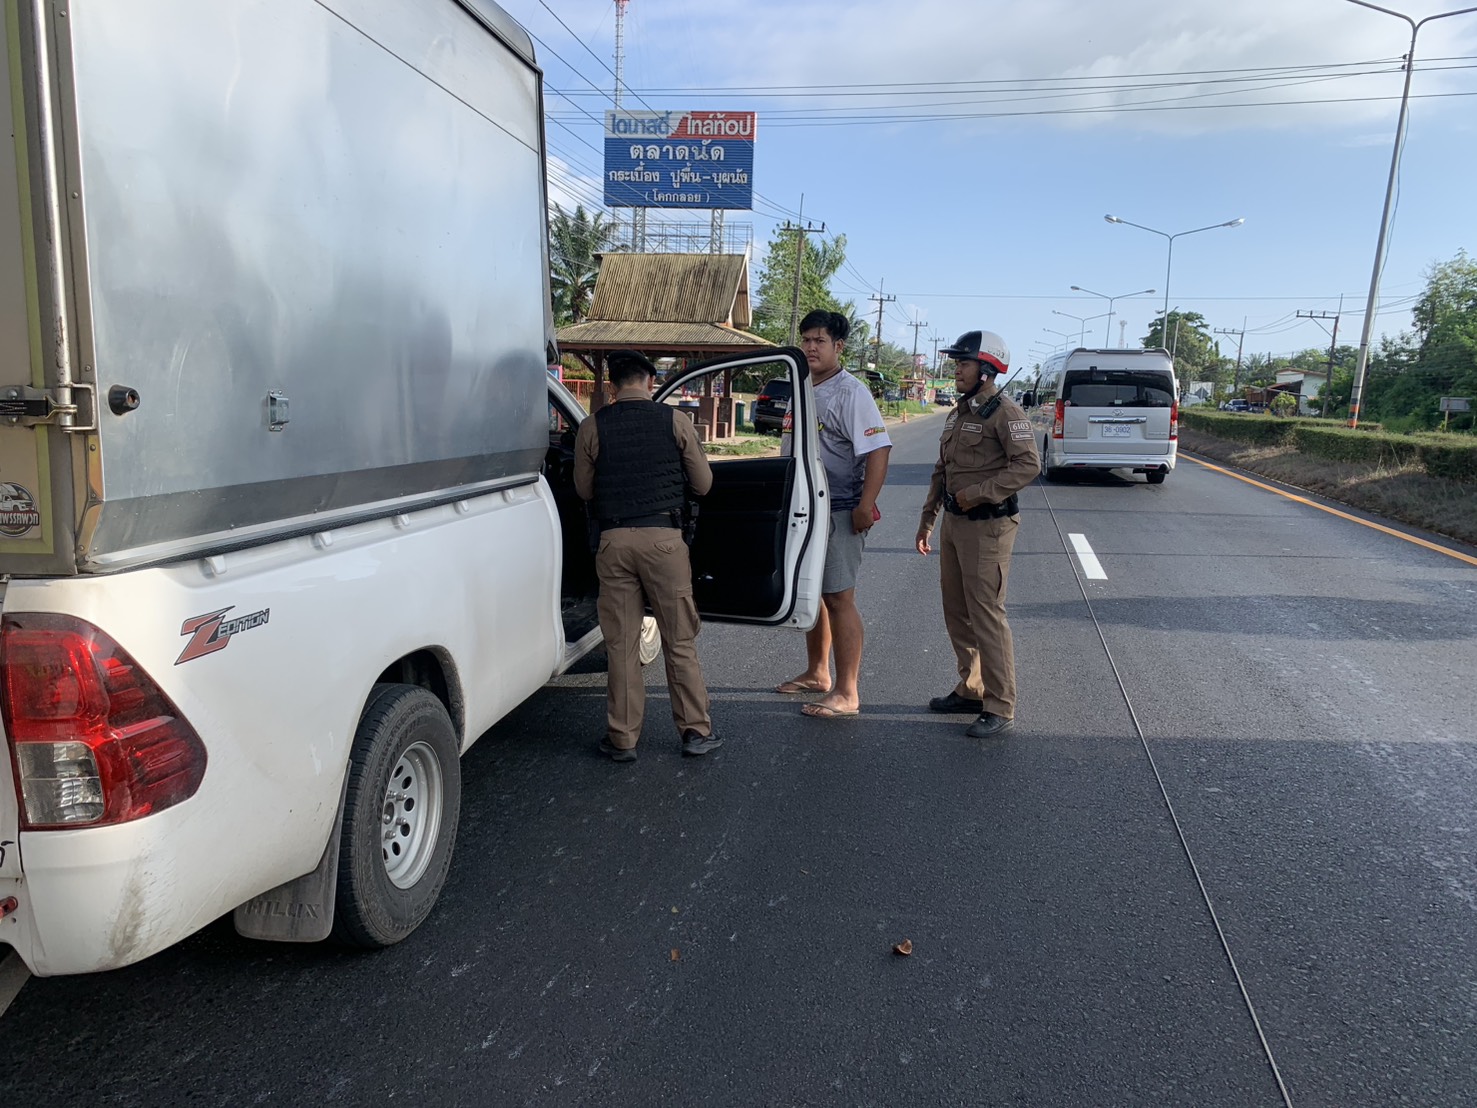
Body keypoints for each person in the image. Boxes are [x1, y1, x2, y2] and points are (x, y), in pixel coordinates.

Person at [574, 350, 721, 762]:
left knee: (621, 646)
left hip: (613, 542)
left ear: (612, 386)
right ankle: (695, 732)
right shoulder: (675, 421)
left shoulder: (592, 426)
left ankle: (622, 739)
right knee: (679, 640)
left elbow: (583, 490)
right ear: (650, 382)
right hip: (665, 542)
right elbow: (704, 484)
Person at [914, 330, 1039, 738]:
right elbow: (943, 469)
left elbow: (1027, 466)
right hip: (954, 524)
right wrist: (928, 519)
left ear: (986, 369)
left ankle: (1000, 704)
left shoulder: (1006, 412)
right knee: (957, 610)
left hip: (989, 526)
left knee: (986, 614)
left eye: (963, 364)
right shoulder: (959, 412)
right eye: (956, 364)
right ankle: (971, 688)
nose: (957, 371)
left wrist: (977, 494)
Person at [774, 310, 892, 719]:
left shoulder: (850, 392)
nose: (810, 347)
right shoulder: (801, 386)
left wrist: (864, 506)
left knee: (840, 598)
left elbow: (878, 450)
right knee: (814, 591)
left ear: (838, 347)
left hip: (840, 508)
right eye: (806, 339)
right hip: (803, 508)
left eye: (819, 341)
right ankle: (817, 673)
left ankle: (847, 691)